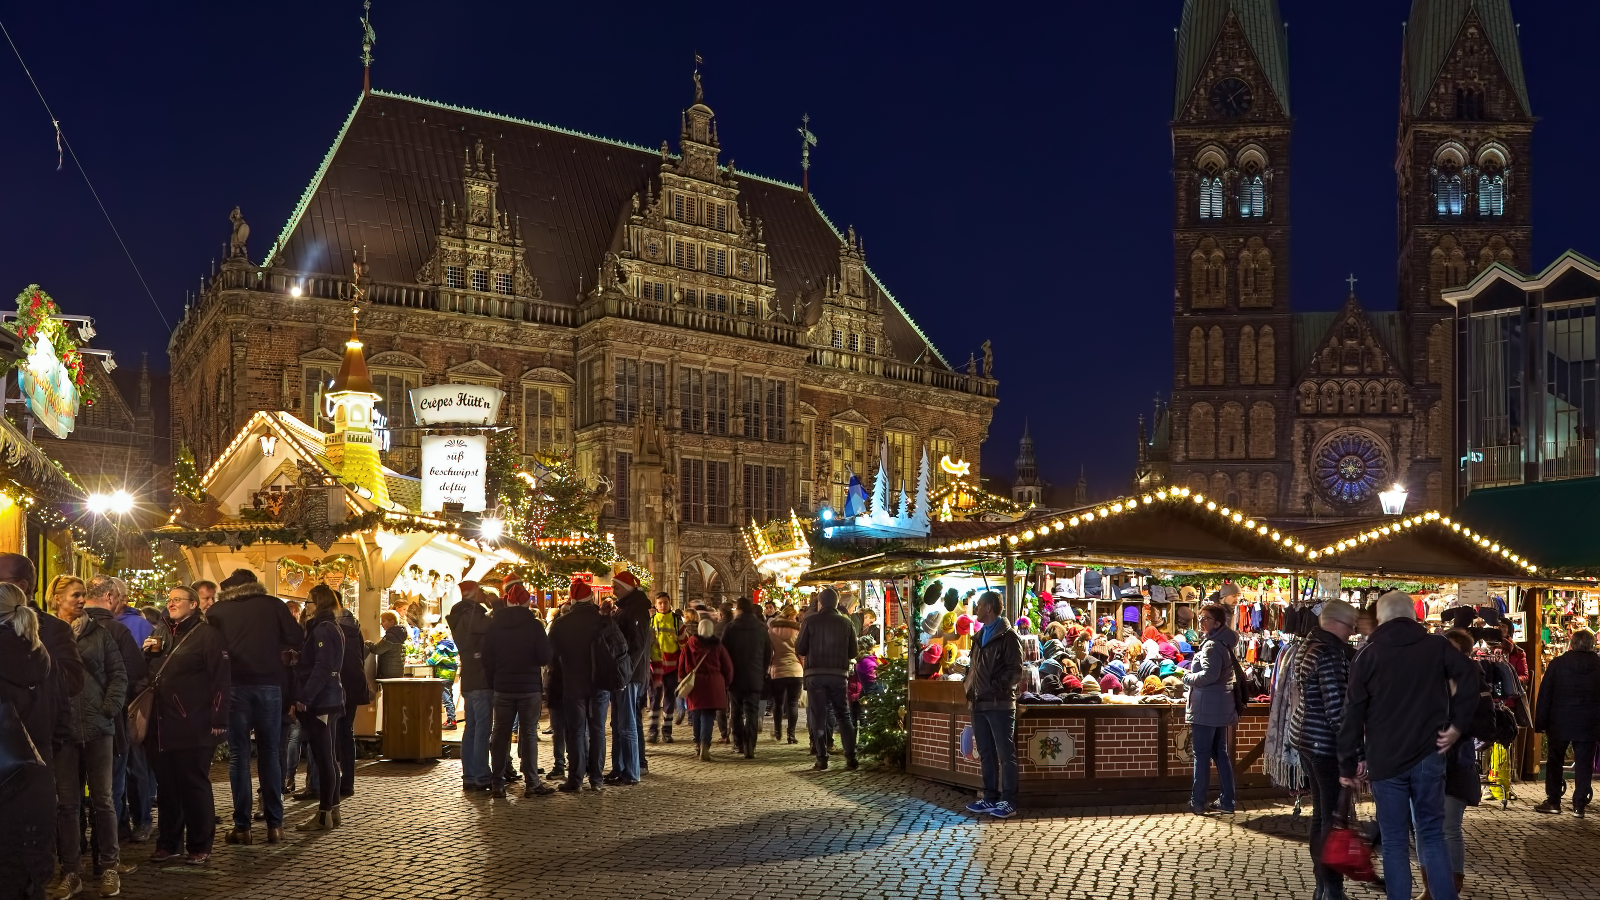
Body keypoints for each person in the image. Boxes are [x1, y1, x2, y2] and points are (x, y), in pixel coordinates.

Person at [1338, 591, 1475, 900]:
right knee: (1431, 834)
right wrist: (1456, 726)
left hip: (1385, 758)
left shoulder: (1367, 654)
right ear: (1413, 617)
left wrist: (1349, 761)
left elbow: (1352, 711)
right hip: (1429, 753)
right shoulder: (1437, 646)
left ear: (1381, 618)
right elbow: (1469, 678)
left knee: (1395, 840)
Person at [204, 568, 302, 846]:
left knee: (239, 756)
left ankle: (243, 827)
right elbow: (297, 637)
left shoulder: (218, 611)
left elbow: (209, 646)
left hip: (234, 686)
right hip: (270, 684)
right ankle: (275, 825)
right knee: (270, 754)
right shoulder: (273, 605)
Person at [48, 575, 131, 898]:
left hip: (98, 729)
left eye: (83, 595)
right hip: (63, 732)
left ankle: (109, 866)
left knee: (103, 801)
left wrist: (107, 710)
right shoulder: (47, 635)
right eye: (75, 595)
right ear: (57, 599)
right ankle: (71, 871)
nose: (81, 600)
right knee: (67, 805)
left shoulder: (99, 633)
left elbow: (118, 674)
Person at [143, 585, 230, 866]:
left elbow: (221, 680)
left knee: (194, 786)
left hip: (193, 722)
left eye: (177, 599)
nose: (171, 604)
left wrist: (218, 718)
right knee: (167, 787)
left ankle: (200, 844)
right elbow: (149, 672)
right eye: (169, 600)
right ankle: (168, 843)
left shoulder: (208, 636)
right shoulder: (161, 633)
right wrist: (146, 655)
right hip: (161, 723)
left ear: (193, 605)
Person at [1288, 598, 1357, 900]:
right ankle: (1331, 888)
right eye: (1351, 625)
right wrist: (1353, 755)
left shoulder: (1309, 645)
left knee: (1321, 816)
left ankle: (1323, 885)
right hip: (1324, 743)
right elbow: (1336, 709)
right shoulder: (1329, 653)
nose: (1353, 632)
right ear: (1339, 623)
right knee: (1332, 817)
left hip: (1306, 738)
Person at [82, 576, 149, 851]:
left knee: (75, 788)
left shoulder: (66, 628)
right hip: (110, 719)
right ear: (109, 597)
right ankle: (107, 851)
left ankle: (76, 851)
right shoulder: (115, 630)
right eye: (119, 597)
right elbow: (134, 672)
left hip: (73, 721)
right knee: (110, 787)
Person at [0, 583, 55, 899]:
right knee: (29, 873)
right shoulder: (40, 652)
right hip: (38, 768)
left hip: (5, 777)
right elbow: (59, 708)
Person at [1427, 628, 1487, 900]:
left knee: (1449, 826)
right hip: (1432, 762)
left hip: (1457, 763)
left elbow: (1487, 724)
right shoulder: (1433, 677)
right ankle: (1432, 886)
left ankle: (1452, 883)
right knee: (1427, 827)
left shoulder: (1475, 680)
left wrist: (1455, 728)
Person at [480, 581, 554, 799]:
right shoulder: (534, 626)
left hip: (503, 687)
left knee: (500, 733)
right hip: (529, 688)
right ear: (527, 603)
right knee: (528, 733)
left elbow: (487, 657)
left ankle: (498, 784)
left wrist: (495, 679)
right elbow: (544, 657)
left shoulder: (495, 625)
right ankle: (532, 783)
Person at [964, 590, 1023, 819]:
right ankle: (990, 797)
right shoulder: (980, 636)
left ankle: (1008, 801)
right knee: (986, 752)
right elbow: (975, 668)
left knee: (1005, 754)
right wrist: (969, 685)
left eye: (978, 605)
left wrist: (993, 687)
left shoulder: (1008, 636)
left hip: (999, 704)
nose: (976, 609)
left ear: (989, 608)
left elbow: (1015, 671)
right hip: (979, 703)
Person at [547, 580, 610, 792]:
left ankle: (576, 780)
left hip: (573, 683)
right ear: (591, 597)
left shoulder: (562, 623)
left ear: (572, 599)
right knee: (598, 730)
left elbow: (550, 654)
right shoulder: (601, 620)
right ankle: (597, 779)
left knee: (575, 732)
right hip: (600, 682)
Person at [292, 585, 346, 832]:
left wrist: (305, 696)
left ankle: (325, 813)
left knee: (324, 758)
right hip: (330, 697)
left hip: (322, 699)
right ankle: (332, 809)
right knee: (328, 757)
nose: (306, 606)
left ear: (320, 603)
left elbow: (322, 667)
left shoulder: (323, 629)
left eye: (309, 602)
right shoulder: (331, 627)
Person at [1535, 627, 1600, 817]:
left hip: (1559, 721)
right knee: (1584, 763)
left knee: (1555, 761)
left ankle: (1553, 800)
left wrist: (1541, 722)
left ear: (1572, 644)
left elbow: (1545, 694)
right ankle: (1579, 804)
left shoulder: (1558, 664)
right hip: (1588, 723)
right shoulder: (1598, 665)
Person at [1183, 602, 1239, 815]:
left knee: (1202, 754)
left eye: (1205, 618)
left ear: (1217, 622)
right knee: (1219, 753)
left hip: (1207, 708)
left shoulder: (1213, 646)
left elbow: (1209, 675)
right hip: (1218, 706)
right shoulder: (1221, 643)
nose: (1201, 622)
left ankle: (1198, 801)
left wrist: (1187, 678)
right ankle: (1227, 800)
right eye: (1200, 618)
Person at [795, 587, 859, 771]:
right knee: (843, 715)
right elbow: (853, 652)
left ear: (820, 602)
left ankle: (822, 758)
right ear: (837, 603)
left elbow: (800, 648)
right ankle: (851, 758)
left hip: (815, 674)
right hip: (838, 675)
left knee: (819, 716)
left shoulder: (810, 621)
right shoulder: (846, 623)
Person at [445, 580, 492, 792]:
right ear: (473, 593)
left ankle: (469, 775)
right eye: (481, 590)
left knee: (471, 728)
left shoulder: (459, 616)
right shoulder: (474, 616)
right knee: (482, 729)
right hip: (481, 678)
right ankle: (481, 775)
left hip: (469, 679)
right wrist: (495, 607)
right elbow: (492, 630)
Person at [606, 572, 650, 785]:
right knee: (618, 723)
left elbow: (637, 646)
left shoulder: (636, 610)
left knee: (627, 724)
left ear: (627, 587)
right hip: (622, 674)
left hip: (629, 676)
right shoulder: (625, 608)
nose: (613, 589)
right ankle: (619, 767)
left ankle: (631, 771)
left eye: (616, 585)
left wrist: (626, 671)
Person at [721, 597, 772, 759]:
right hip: (755, 676)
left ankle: (739, 743)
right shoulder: (761, 628)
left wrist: (727, 673)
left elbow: (723, 653)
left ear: (738, 610)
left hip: (735, 676)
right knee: (752, 711)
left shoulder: (731, 628)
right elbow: (767, 653)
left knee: (735, 711)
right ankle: (751, 745)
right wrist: (762, 671)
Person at [677, 617, 733, 761]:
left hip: (694, 684)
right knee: (708, 716)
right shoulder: (718, 646)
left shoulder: (689, 645)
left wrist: (683, 680)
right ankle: (705, 747)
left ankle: (697, 744)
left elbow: (681, 666)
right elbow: (728, 668)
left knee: (696, 714)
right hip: (713, 684)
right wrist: (725, 684)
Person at [334, 596, 370, 799]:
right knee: (346, 733)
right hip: (354, 682)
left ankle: (330, 782)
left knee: (333, 735)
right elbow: (361, 653)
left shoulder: (327, 625)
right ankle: (347, 781)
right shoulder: (353, 624)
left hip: (337, 683)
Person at [767, 603, 803, 744]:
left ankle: (777, 732)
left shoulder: (772, 630)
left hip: (778, 669)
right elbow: (801, 652)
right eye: (794, 617)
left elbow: (770, 652)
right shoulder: (797, 631)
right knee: (793, 703)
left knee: (778, 703)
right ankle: (791, 735)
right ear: (790, 616)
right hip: (795, 670)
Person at [647, 593, 680, 744]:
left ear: (669, 603)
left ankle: (667, 731)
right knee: (654, 700)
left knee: (669, 700)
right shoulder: (651, 621)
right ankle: (653, 731)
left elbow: (684, 646)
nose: (662, 606)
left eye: (665, 603)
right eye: (659, 603)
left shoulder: (677, 622)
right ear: (655, 604)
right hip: (654, 668)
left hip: (672, 669)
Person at [367, 612, 407, 680]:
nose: (381, 623)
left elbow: (378, 649)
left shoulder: (390, 637)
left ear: (392, 622)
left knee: (389, 690)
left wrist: (367, 643)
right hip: (398, 672)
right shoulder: (399, 635)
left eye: (383, 621)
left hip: (389, 673)